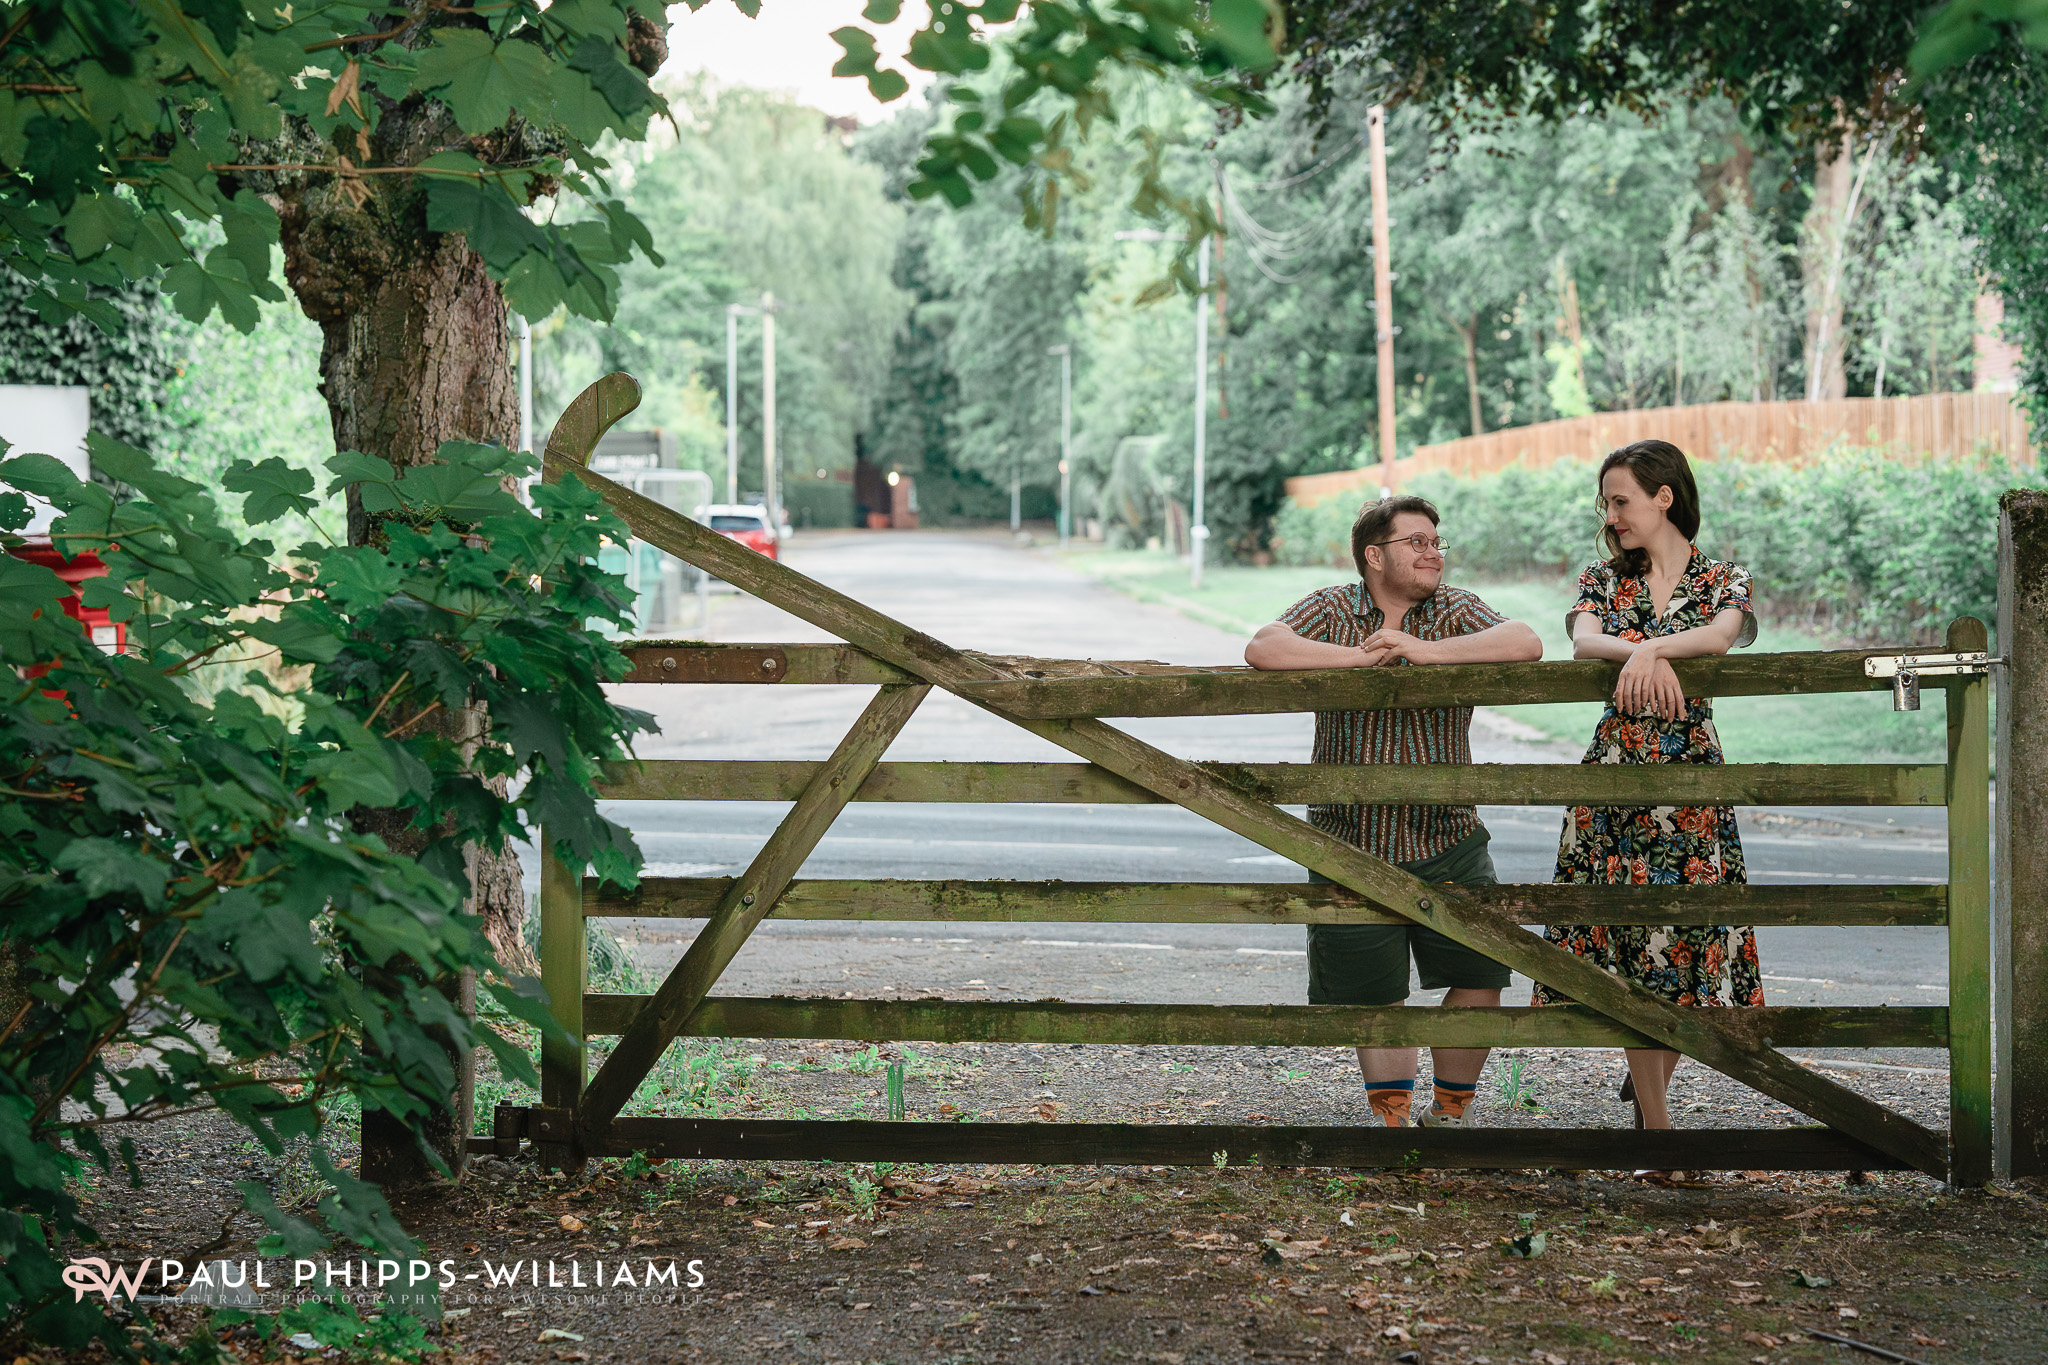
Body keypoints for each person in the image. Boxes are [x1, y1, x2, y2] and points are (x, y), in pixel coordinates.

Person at [1245, 495, 1543, 1128]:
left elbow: (1526, 641)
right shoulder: (1332, 607)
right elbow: (1264, 648)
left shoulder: (1455, 607)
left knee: (1481, 973)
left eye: (1437, 541)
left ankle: (1449, 1116)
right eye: (1417, 542)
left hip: (1449, 835)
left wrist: (1425, 651)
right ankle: (1395, 1126)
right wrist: (1357, 660)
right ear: (1374, 556)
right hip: (1348, 841)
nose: (1433, 552)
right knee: (1372, 993)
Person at [1530, 439, 1764, 1140]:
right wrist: (1640, 648)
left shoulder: (1724, 577)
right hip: (1616, 776)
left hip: (1691, 776)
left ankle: (1649, 1093)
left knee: (1685, 943)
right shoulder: (1603, 578)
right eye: (1607, 502)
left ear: (1664, 496)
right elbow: (1581, 640)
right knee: (1632, 942)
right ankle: (1658, 1135)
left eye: (1621, 499)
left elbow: (1721, 638)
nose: (1612, 513)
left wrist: (1653, 646)